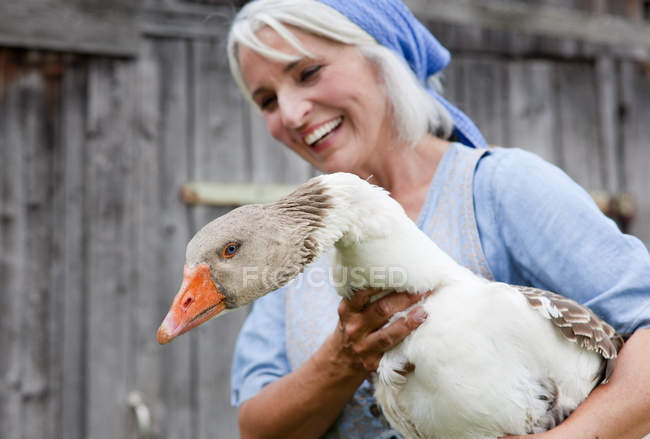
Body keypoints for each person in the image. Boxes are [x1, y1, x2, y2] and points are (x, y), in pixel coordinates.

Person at [226, 1, 650, 438]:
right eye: (268, 100)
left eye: (308, 72)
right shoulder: (305, 242)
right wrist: (344, 359)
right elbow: (258, 429)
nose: (292, 113)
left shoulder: (500, 188)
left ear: (383, 56)